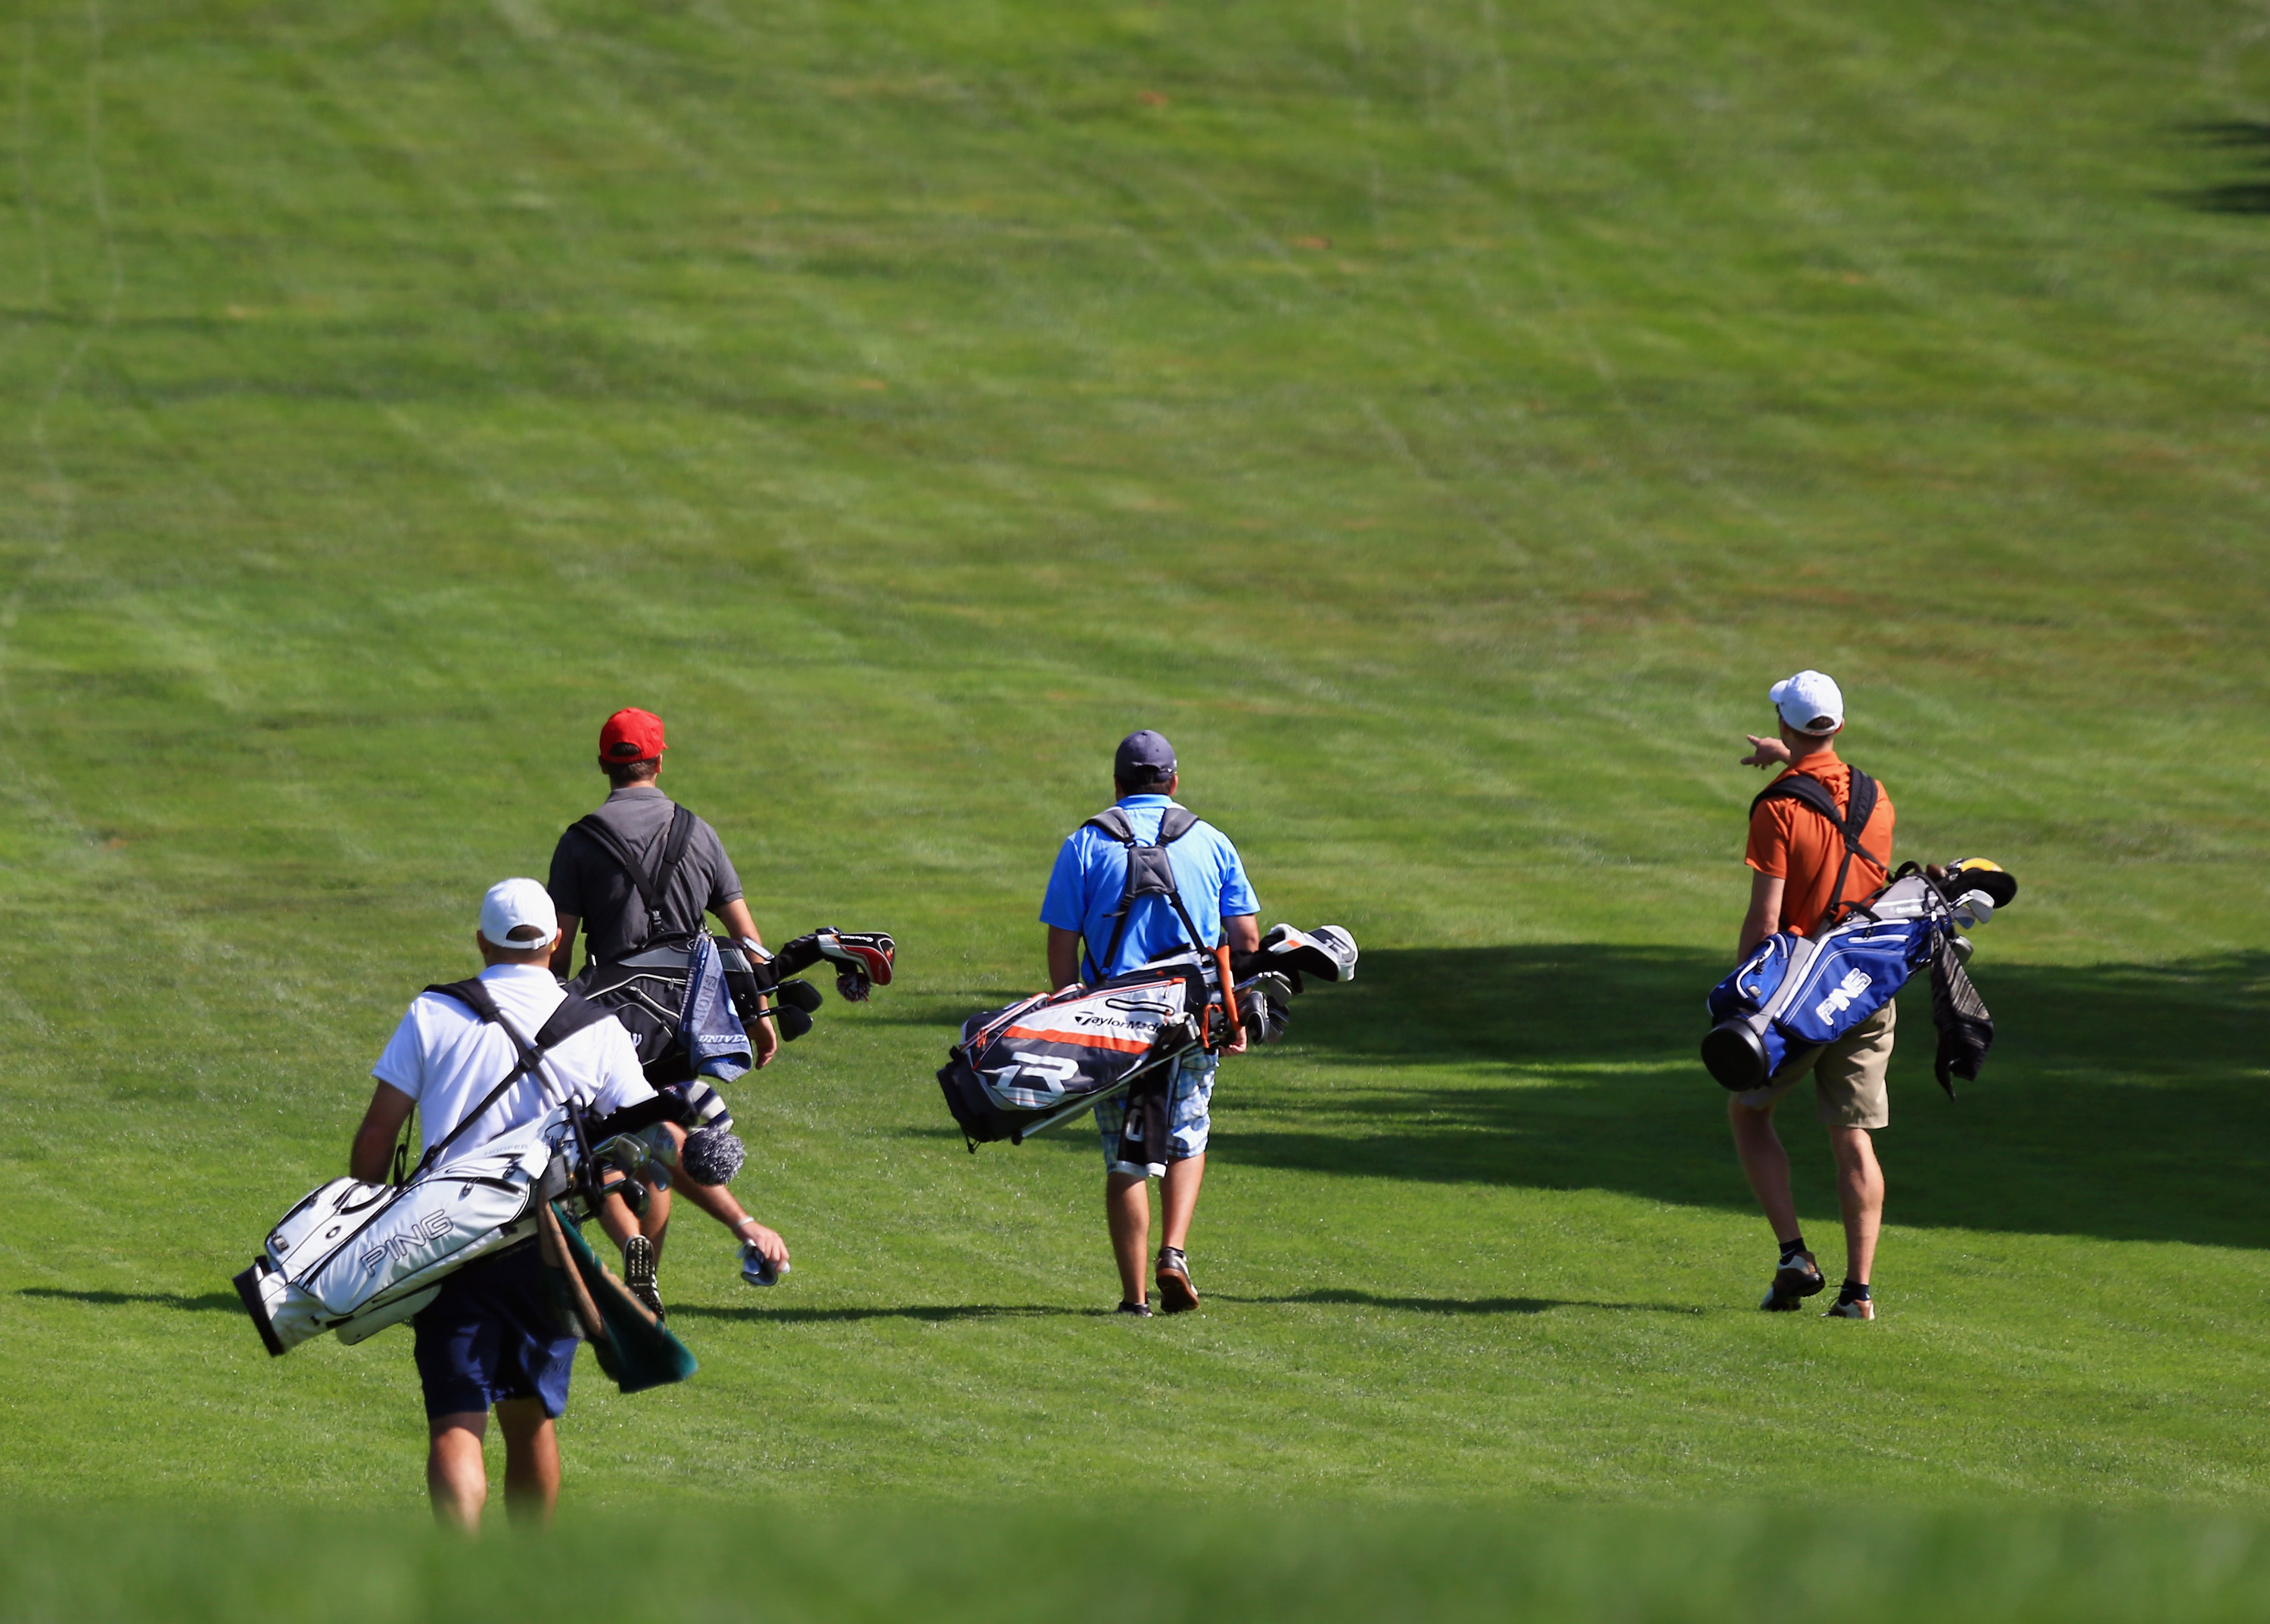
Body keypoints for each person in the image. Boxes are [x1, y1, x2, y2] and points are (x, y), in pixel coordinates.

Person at [546, 707, 784, 1311]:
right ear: (659, 760)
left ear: (604, 764)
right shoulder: (696, 832)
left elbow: (560, 949)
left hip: (611, 1021)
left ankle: (633, 1263)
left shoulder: (579, 842)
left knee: (603, 1137)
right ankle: (643, 1280)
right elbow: (746, 940)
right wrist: (759, 1015)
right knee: (660, 1130)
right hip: (685, 1022)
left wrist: (546, 1025)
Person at [1040, 730, 1259, 1316]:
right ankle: (1174, 1251)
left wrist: (1069, 1016)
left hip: (1112, 1021)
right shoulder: (1211, 841)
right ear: (1174, 782)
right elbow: (1246, 941)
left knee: (1127, 1154)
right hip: (1192, 1012)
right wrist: (1235, 1017)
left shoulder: (1084, 844)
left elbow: (1063, 955)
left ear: (1116, 784)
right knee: (1188, 1134)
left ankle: (1133, 1299)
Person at [1727, 670, 1897, 1321]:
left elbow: (1767, 920)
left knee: (1749, 1112)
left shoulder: (1777, 809)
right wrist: (1792, 760)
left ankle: (1795, 1254)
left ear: (1781, 725)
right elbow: (1831, 795)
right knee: (1853, 1137)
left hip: (1797, 991)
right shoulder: (1877, 797)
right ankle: (1859, 1293)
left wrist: (1745, 997)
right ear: (1839, 727)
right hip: (1863, 982)